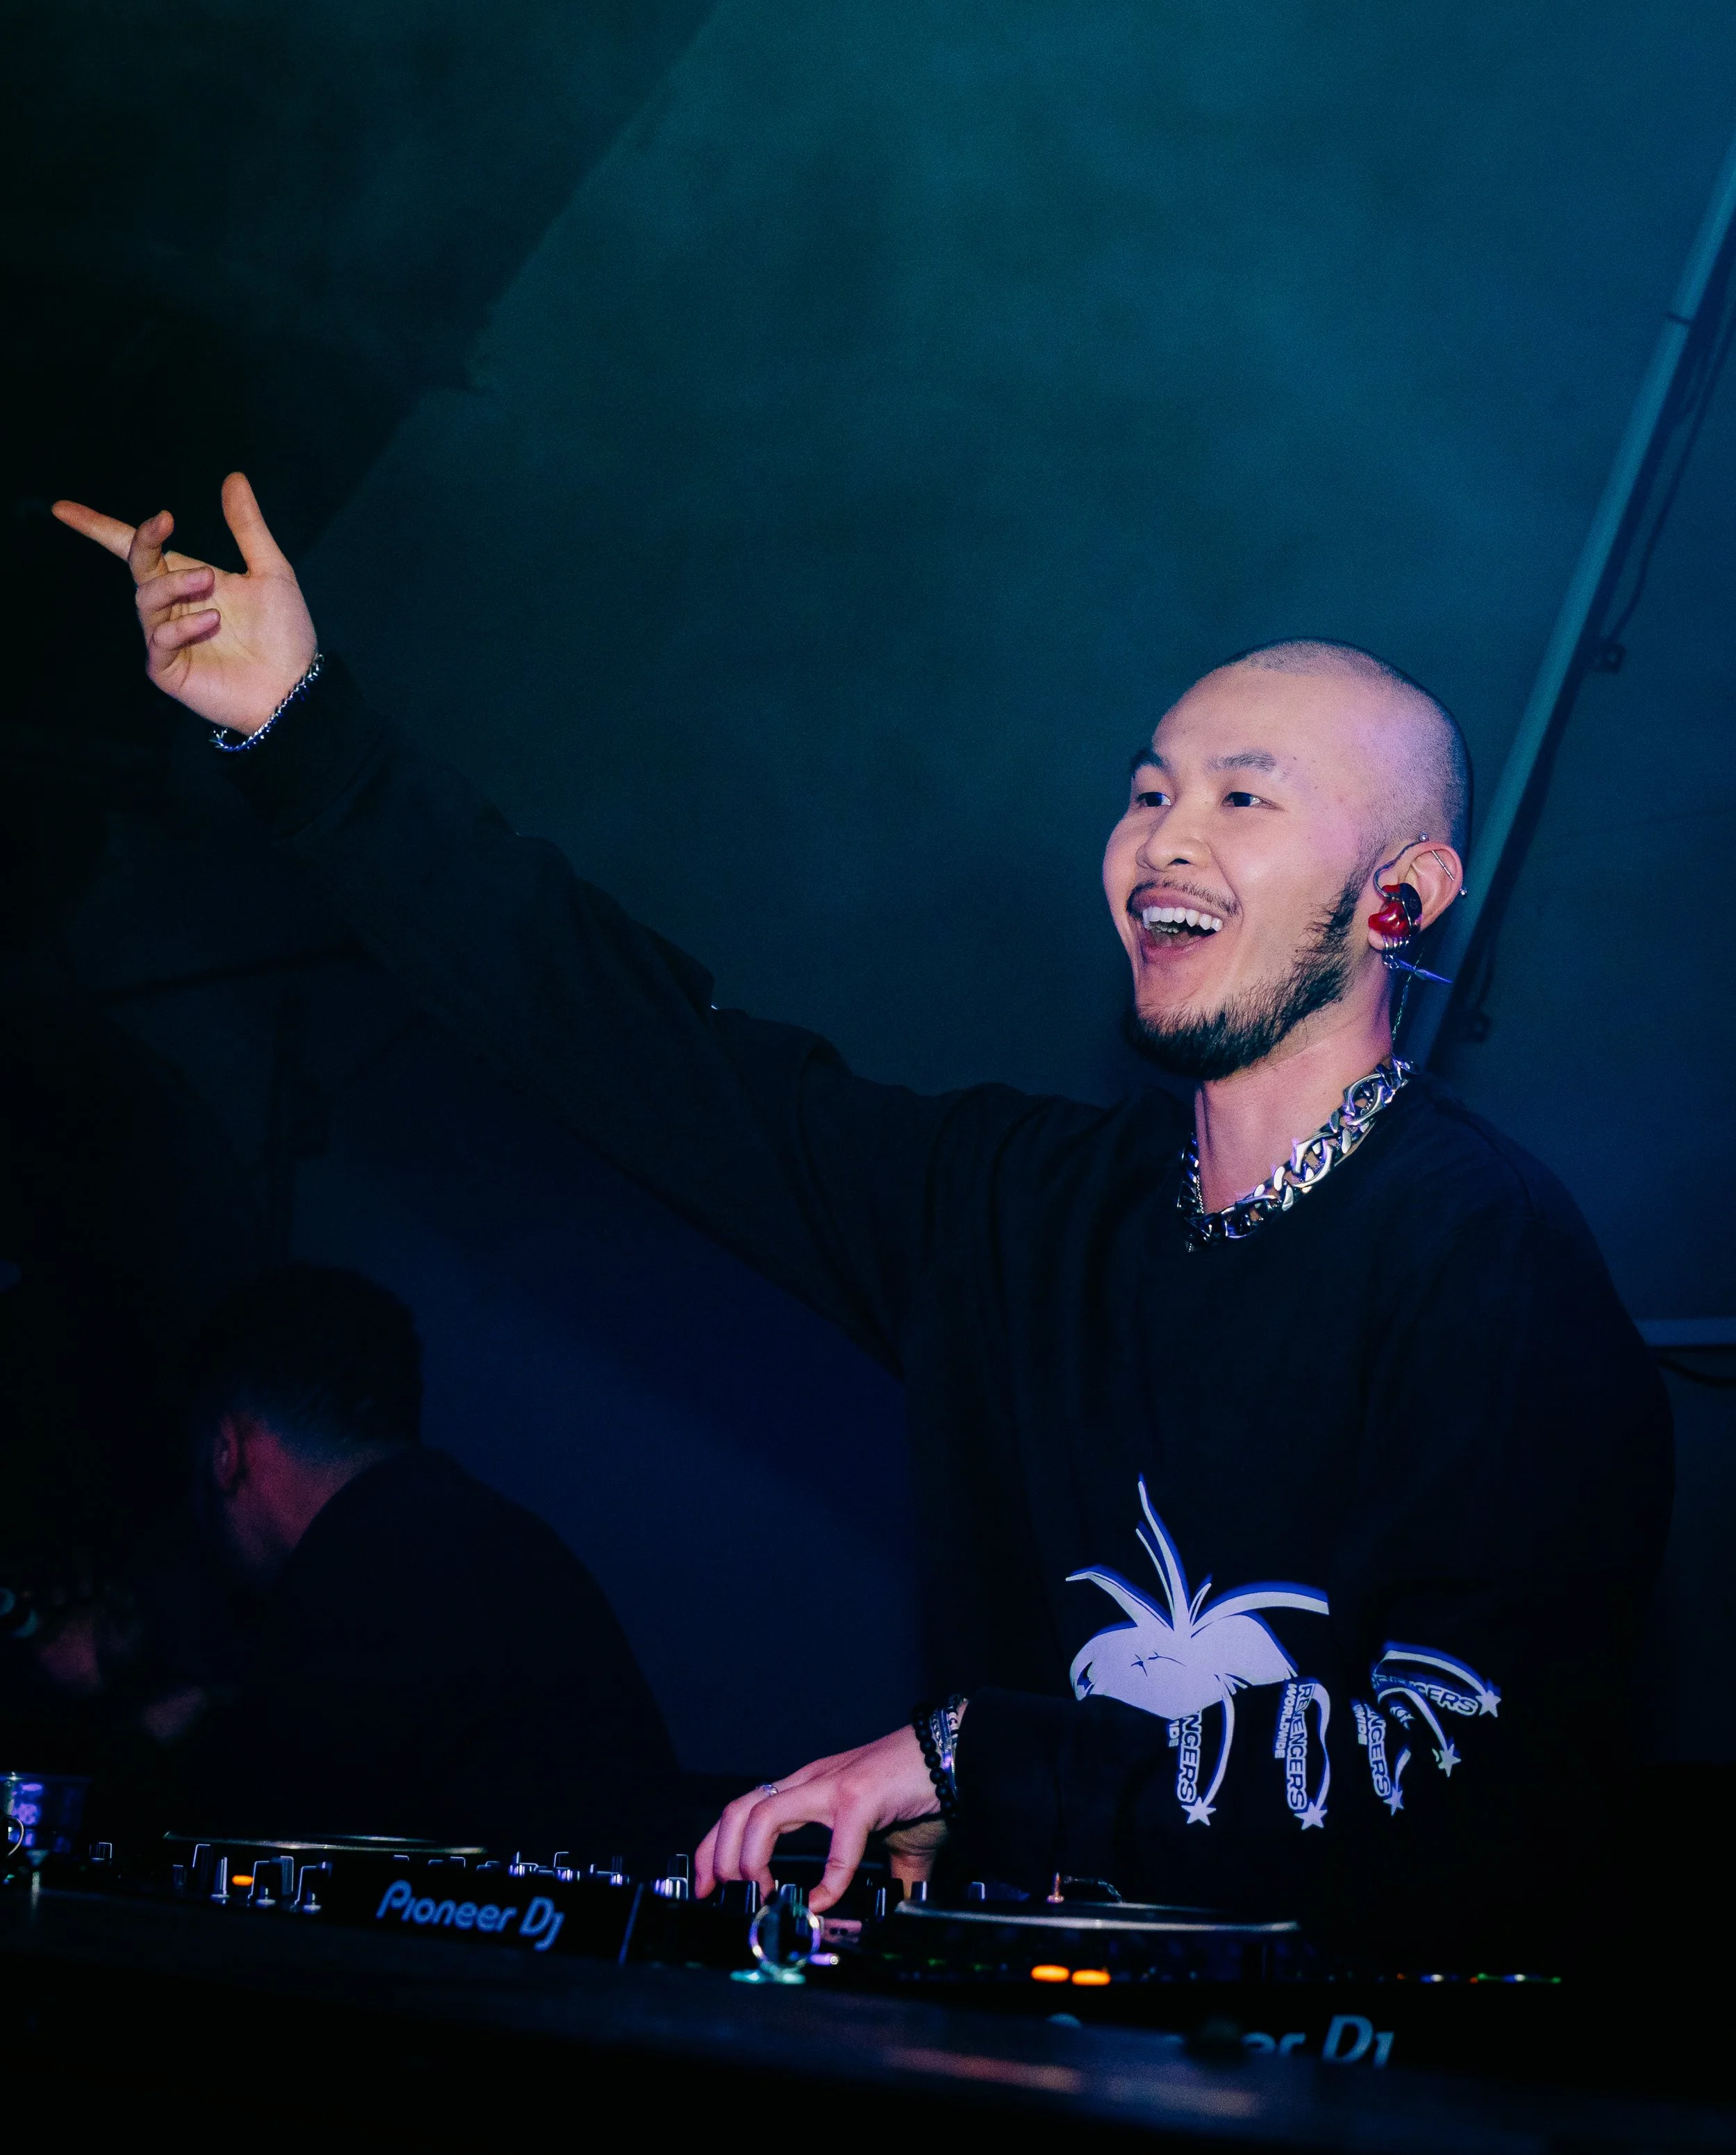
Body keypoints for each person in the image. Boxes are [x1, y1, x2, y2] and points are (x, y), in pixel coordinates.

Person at [53, 477, 1669, 1960]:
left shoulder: (1484, 1262)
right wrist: (312, 746)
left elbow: (1474, 1784)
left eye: (1244, 800)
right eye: (1147, 788)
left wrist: (976, 1761)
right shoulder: (1015, 1212)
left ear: (1401, 895)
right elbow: (646, 1056)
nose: (1161, 836)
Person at [162, 1260, 681, 1853]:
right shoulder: (488, 1540)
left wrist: (138, 1739)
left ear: (225, 1452)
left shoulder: (357, 1582)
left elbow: (248, 1851)